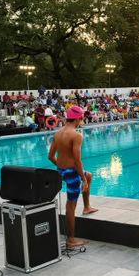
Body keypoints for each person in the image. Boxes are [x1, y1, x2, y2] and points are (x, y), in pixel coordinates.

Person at [48, 105, 97, 248]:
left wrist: (62, 168)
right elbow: (77, 161)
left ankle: (87, 207)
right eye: (82, 118)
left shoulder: (58, 133)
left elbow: (50, 156)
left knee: (89, 175)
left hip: (61, 170)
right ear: (79, 119)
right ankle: (70, 240)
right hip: (71, 172)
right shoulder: (76, 135)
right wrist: (81, 178)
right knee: (71, 205)